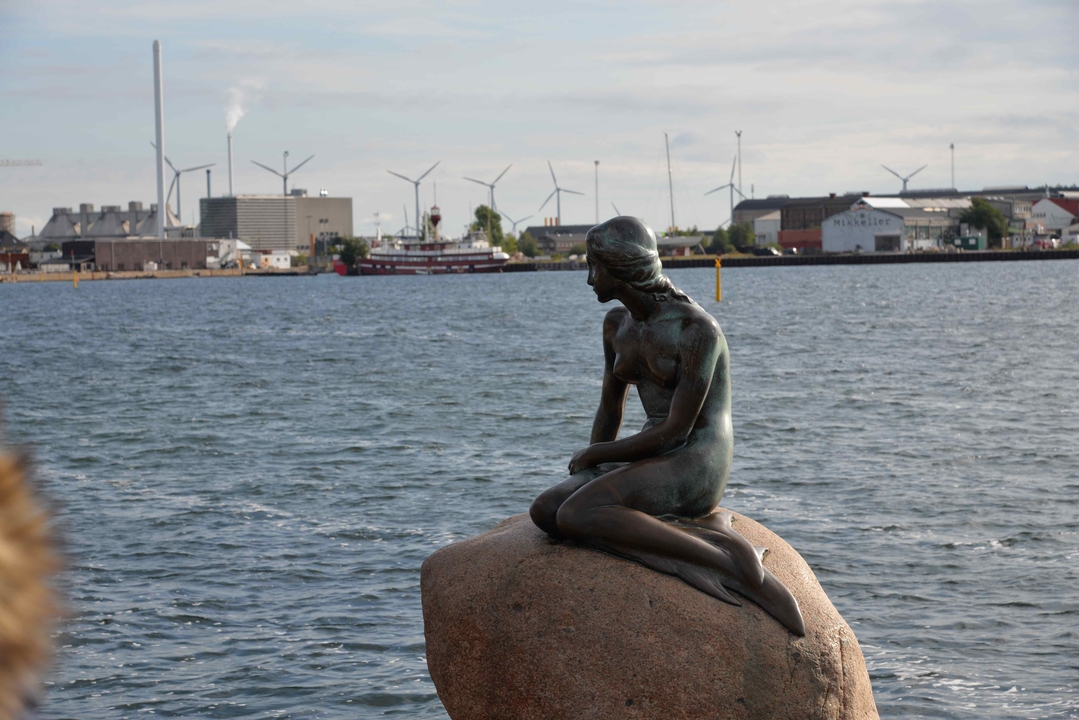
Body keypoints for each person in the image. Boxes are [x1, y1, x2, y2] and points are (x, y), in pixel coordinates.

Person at [529, 217, 803, 634]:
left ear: (623, 267)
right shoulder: (616, 326)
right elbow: (609, 410)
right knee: (548, 511)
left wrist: (598, 456)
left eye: (594, 266)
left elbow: (677, 429)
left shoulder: (696, 329)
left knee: (579, 513)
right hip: (653, 449)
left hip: (696, 454)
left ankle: (735, 566)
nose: (588, 279)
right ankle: (670, 530)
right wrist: (590, 470)